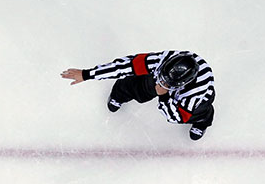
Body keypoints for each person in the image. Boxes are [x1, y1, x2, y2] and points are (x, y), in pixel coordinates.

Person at [60, 50, 215, 141]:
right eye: (161, 78)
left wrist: (164, 96)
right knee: (136, 82)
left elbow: (176, 117)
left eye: (167, 83)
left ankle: (201, 122)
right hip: (170, 83)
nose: (161, 83)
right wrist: (87, 74)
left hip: (196, 100)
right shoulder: (160, 60)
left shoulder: (195, 93)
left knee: (201, 112)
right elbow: (124, 66)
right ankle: (120, 94)